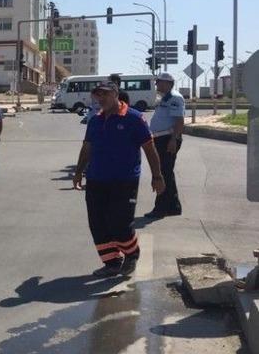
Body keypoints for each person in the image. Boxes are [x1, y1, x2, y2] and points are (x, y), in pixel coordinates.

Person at [72, 81, 165, 277]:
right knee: (97, 223)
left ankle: (132, 254)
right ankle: (112, 262)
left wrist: (157, 176)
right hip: (96, 179)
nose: (101, 98)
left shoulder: (134, 118)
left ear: (115, 94)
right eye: (98, 95)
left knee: (120, 223)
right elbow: (87, 147)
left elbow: (149, 148)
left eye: (105, 94)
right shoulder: (95, 121)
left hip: (124, 180)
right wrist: (79, 172)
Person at [145, 72, 185, 219]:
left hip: (168, 139)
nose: (156, 85)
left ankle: (160, 208)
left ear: (168, 83)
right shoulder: (165, 98)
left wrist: (174, 139)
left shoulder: (174, 98)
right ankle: (174, 206)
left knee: (162, 174)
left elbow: (179, 121)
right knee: (167, 173)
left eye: (159, 82)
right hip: (161, 138)